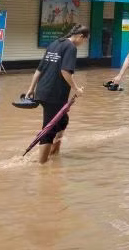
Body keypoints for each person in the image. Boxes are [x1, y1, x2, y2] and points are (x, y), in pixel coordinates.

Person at [24, 25, 88, 164]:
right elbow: (65, 71)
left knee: (63, 120)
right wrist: (76, 89)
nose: (83, 43)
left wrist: (31, 88)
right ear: (81, 36)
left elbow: (39, 69)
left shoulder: (54, 43)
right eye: (85, 40)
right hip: (54, 94)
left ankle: (54, 152)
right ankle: (42, 164)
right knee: (49, 128)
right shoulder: (71, 47)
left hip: (42, 90)